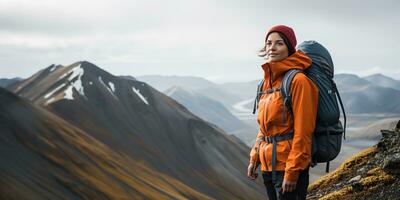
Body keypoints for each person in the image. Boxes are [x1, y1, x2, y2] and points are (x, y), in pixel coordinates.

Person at [247, 25, 319, 200]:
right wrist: (254, 158)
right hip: (267, 166)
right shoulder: (266, 83)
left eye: (279, 43)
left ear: (289, 48)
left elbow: (304, 131)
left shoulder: (299, 81)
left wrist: (293, 171)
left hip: (288, 165)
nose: (272, 47)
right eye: (269, 43)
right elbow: (265, 129)